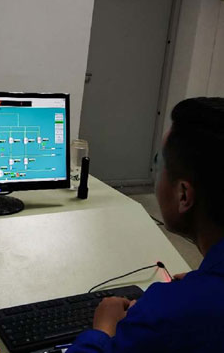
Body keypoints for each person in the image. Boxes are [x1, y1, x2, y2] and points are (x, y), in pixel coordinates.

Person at [67, 97, 224, 353]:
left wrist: (102, 330)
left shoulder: (165, 316)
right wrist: (202, 284)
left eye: (159, 163)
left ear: (183, 194)